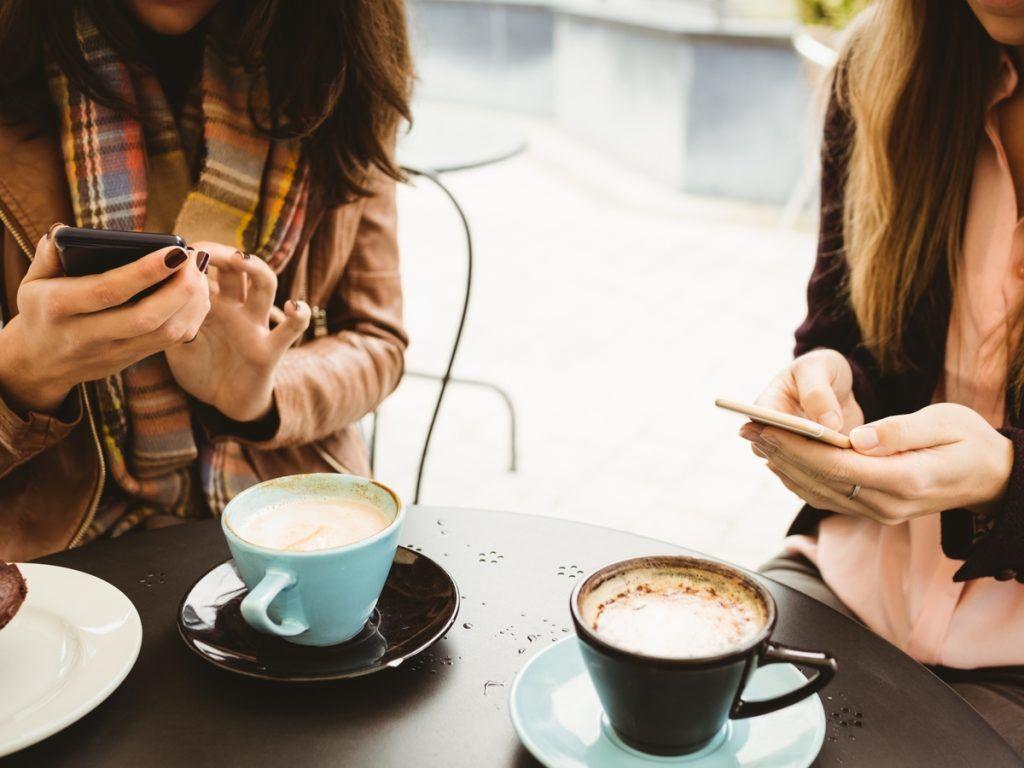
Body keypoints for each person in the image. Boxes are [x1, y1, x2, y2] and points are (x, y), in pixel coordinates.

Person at [0, 0, 411, 561]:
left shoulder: (334, 60)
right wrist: (20, 377)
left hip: (292, 523)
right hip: (57, 562)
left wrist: (261, 394)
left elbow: (378, 341)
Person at [740, 0, 1024, 755]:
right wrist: (828, 377)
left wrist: (1005, 479)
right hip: (848, 575)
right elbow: (840, 329)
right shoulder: (880, 70)